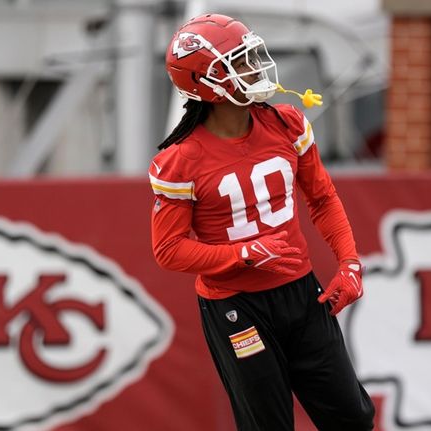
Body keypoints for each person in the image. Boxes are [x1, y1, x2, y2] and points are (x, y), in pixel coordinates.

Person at [150, 13, 375, 431]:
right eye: (241, 61)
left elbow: (322, 198)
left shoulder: (286, 123)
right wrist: (243, 254)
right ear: (207, 81)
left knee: (353, 418)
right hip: (238, 306)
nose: (256, 66)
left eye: (252, 54)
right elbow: (169, 249)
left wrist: (348, 262)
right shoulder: (180, 161)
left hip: (301, 292)